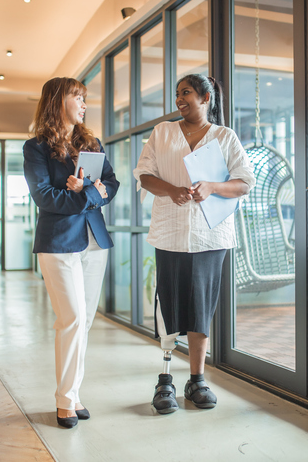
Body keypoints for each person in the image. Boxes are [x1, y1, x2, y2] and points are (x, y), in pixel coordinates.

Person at [133, 74, 256, 414]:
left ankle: (197, 380)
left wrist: (214, 187)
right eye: (177, 94)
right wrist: (170, 189)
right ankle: (165, 379)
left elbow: (245, 182)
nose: (179, 99)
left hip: (209, 237)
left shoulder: (224, 137)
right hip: (170, 235)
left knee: (200, 308)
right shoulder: (163, 132)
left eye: (186, 93)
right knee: (169, 306)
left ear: (205, 97)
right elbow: (143, 174)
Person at [23, 77, 119, 429]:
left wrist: (88, 192)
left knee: (85, 322)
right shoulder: (35, 148)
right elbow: (44, 196)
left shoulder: (90, 142)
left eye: (84, 98)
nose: (84, 104)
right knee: (72, 319)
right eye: (77, 97)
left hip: (94, 241)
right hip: (58, 242)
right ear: (56, 100)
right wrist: (85, 195)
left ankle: (73, 394)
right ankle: (65, 400)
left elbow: (111, 184)